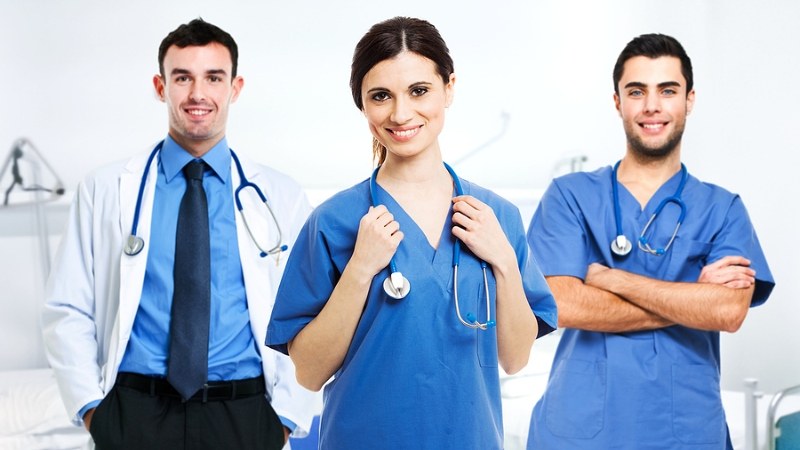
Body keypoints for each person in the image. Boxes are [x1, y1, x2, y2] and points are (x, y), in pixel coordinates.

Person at [266, 16, 557, 450]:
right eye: (381, 96)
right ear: (362, 105)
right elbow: (307, 372)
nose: (401, 114)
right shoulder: (334, 222)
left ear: (449, 88)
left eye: (419, 91)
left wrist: (503, 260)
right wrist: (361, 269)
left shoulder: (497, 218)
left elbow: (514, 359)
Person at [41, 18, 317, 450]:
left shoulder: (280, 195)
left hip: (245, 416)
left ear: (235, 88)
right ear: (160, 85)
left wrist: (281, 420)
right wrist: (94, 412)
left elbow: (309, 313)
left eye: (213, 77)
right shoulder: (106, 189)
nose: (197, 94)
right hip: (134, 413)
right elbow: (67, 308)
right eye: (182, 77)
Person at [526, 33, 775, 449]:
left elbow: (729, 311)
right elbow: (561, 302)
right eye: (637, 91)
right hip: (580, 429)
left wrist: (611, 279)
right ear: (617, 102)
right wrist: (694, 299)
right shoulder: (570, 196)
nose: (652, 106)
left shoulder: (723, 207)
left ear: (689, 100)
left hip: (685, 429)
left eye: (668, 90)